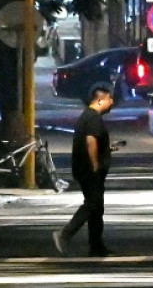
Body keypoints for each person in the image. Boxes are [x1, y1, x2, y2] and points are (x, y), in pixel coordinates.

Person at [53, 82, 118, 257]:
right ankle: (64, 234)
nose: (111, 102)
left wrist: (107, 149)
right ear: (99, 100)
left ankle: (96, 246)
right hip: (89, 170)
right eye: (109, 99)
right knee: (92, 204)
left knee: (97, 207)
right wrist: (95, 165)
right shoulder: (93, 118)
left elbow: (93, 142)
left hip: (85, 169)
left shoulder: (88, 117)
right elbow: (91, 142)